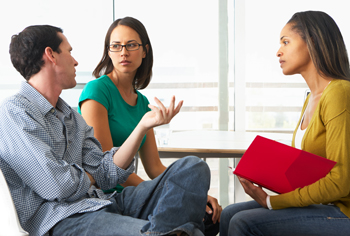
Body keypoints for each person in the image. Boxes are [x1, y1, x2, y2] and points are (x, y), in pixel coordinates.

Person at [0, 25, 211, 236]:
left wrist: (144, 125)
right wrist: (91, 176)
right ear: (51, 55)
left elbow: (105, 172)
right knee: (194, 228)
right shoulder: (15, 112)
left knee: (194, 167)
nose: (75, 61)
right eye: (69, 51)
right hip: (64, 218)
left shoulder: (71, 116)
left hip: (104, 203)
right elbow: (57, 186)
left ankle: (170, 232)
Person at [77, 16, 222, 230]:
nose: (123, 52)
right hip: (106, 195)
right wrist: (165, 190)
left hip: (133, 194)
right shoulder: (97, 90)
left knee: (204, 201)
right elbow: (108, 170)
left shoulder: (142, 102)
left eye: (131, 45)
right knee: (191, 201)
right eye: (116, 46)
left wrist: (193, 192)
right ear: (108, 52)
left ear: (144, 51)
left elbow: (154, 167)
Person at [220, 11, 350, 236]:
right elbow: (308, 171)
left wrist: (273, 202)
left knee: (242, 222)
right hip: (323, 205)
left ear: (312, 42)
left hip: (342, 211)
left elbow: (341, 182)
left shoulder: (339, 93)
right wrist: (261, 174)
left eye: (286, 42)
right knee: (229, 214)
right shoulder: (311, 97)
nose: (278, 51)